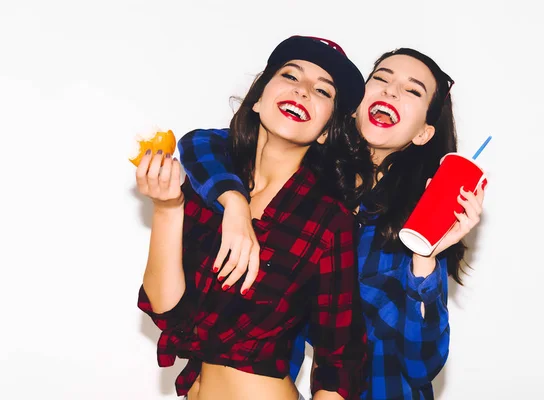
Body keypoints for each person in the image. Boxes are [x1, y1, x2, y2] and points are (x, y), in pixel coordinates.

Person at [176, 47, 487, 399]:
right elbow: (202, 143)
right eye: (381, 79)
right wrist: (232, 201)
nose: (390, 91)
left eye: (412, 90)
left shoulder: (418, 224)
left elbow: (420, 365)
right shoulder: (307, 184)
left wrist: (425, 259)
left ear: (423, 133)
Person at [135, 35, 372, 400]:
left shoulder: (327, 219)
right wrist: (168, 208)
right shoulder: (208, 186)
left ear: (326, 131)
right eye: (291, 76)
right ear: (259, 99)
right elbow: (168, 311)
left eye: (323, 91)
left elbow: (340, 357)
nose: (304, 90)